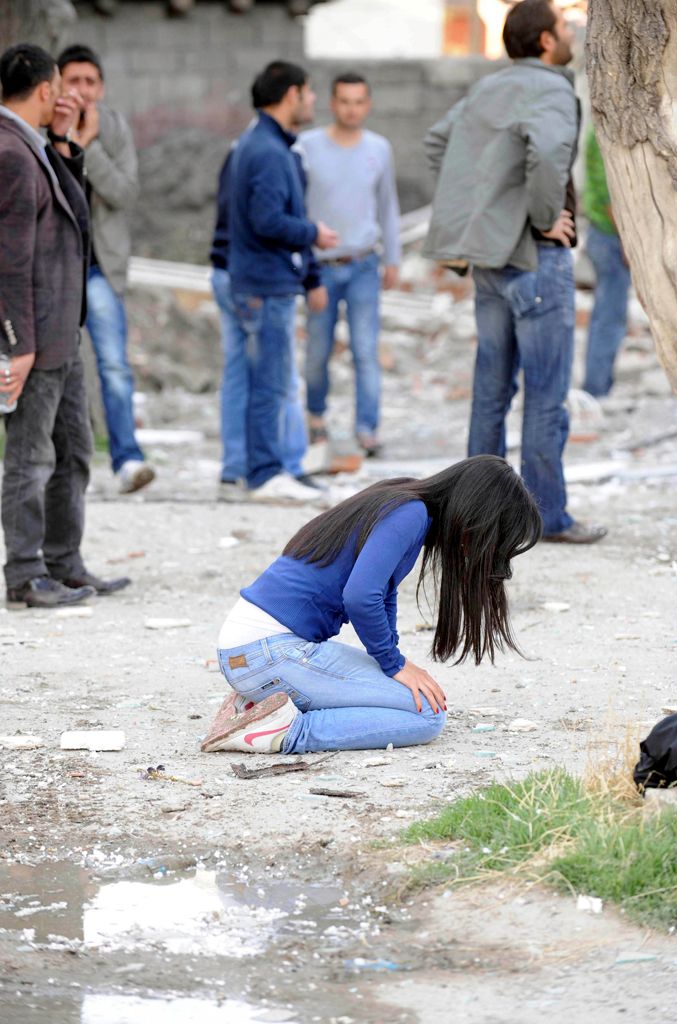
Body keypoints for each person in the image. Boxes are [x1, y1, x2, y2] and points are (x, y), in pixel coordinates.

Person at [200, 455, 541, 754]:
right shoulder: (410, 514)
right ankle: (285, 731)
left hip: (252, 652)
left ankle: (257, 705)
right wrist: (392, 664)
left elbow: (382, 590)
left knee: (414, 698)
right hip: (271, 654)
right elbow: (361, 595)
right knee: (426, 716)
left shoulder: (403, 499)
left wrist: (394, 658)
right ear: (475, 515)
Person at [423, 0, 606, 545]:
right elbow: (549, 154)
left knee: (490, 395)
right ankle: (547, 516)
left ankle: (474, 522)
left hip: (490, 266)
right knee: (545, 397)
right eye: (562, 26)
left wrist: (490, 208)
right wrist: (543, 217)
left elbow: (439, 144)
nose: (569, 31)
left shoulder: (488, 88)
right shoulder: (552, 87)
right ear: (545, 42)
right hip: (535, 260)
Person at [0, 43, 130, 608]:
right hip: (34, 335)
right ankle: (25, 574)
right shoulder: (8, 151)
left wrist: (65, 141)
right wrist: (17, 344)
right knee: (30, 458)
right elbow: (9, 259)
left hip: (60, 331)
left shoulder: (34, 145)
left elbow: (75, 212)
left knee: (73, 449)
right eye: (59, 87)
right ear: (46, 89)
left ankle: (64, 563)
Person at [210, 68, 325, 501]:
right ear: (291, 94)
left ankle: (252, 469)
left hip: (255, 278)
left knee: (257, 376)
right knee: (271, 382)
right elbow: (267, 220)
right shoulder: (269, 152)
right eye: (308, 91)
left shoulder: (259, 144)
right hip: (265, 280)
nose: (313, 99)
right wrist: (313, 233)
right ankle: (265, 471)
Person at [57, 44, 155, 495]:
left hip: (100, 269)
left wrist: (89, 145)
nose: (81, 91)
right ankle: (59, 463)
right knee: (54, 368)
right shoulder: (42, 124)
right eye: (72, 81)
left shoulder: (111, 127)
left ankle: (127, 460)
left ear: (101, 87)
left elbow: (125, 194)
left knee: (114, 365)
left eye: (89, 82)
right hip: (54, 268)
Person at [298, 73, 401, 457]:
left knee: (364, 348)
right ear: (332, 103)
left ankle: (367, 427)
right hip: (320, 266)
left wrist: (392, 258)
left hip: (363, 264)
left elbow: (388, 205)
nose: (351, 109)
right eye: (344, 101)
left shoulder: (379, 148)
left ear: (368, 104)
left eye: (359, 102)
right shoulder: (307, 146)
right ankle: (316, 418)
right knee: (318, 349)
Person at [581, 125, 631, 398]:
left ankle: (599, 385)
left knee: (610, 315)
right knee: (609, 316)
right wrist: (627, 239)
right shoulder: (604, 136)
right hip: (610, 237)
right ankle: (596, 389)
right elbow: (606, 193)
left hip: (612, 236)